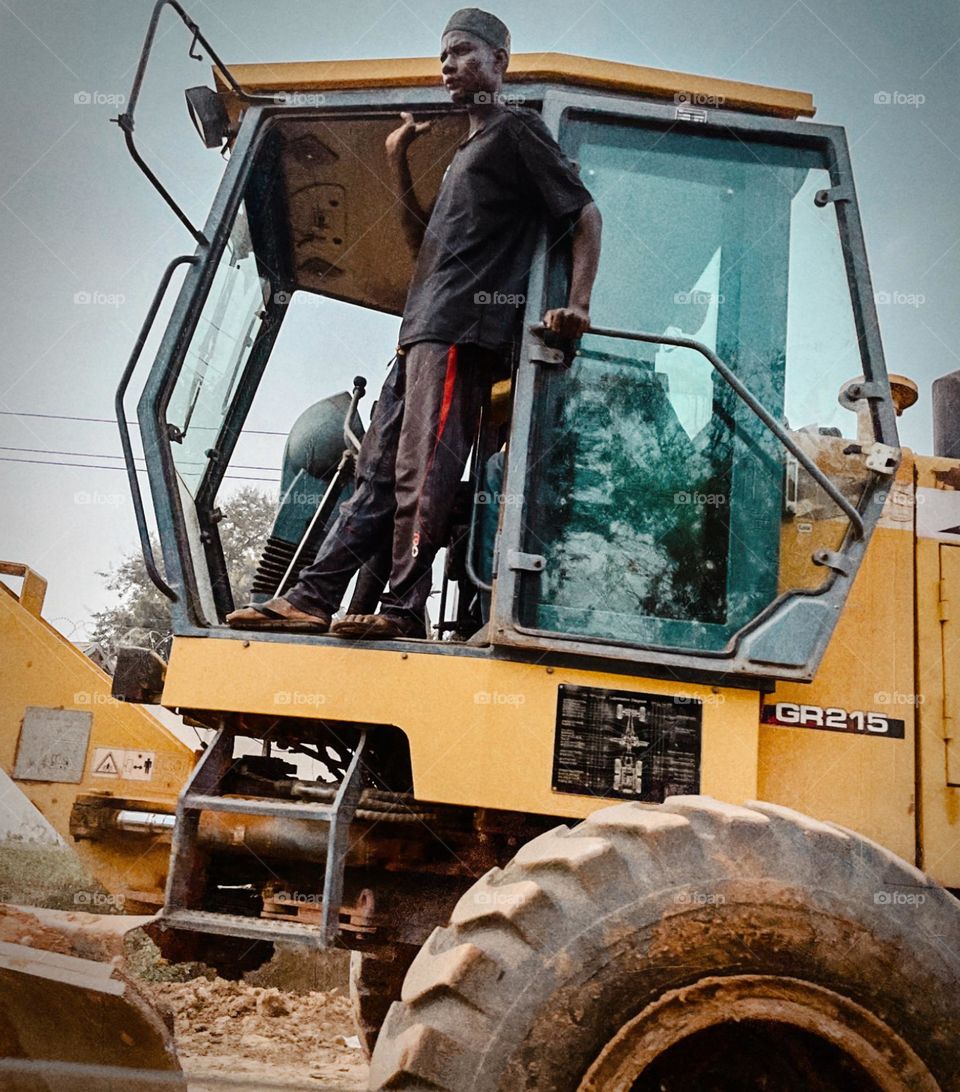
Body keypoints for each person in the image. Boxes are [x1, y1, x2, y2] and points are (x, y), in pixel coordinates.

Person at [228, 6, 602, 639]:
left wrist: (580, 306)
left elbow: (585, 214)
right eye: (443, 56)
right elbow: (419, 241)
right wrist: (398, 158)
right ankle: (313, 596)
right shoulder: (468, 150)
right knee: (374, 474)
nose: (449, 66)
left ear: (498, 63)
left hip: (460, 333)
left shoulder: (515, 134)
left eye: (461, 52)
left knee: (422, 471)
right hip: (417, 336)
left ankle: (402, 610)